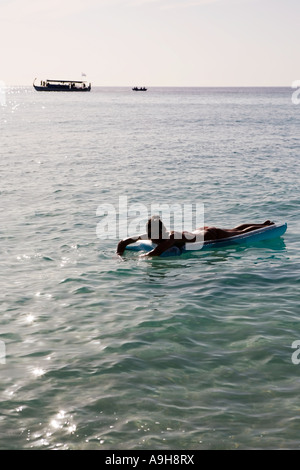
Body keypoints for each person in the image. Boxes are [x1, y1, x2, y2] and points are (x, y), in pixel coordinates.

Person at [116, 216, 274, 257]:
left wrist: (138, 259)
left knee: (239, 232)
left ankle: (265, 225)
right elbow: (124, 241)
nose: (151, 237)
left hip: (210, 234)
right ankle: (263, 223)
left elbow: (155, 253)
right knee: (235, 229)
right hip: (198, 231)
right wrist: (119, 254)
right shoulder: (153, 236)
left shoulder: (171, 236)